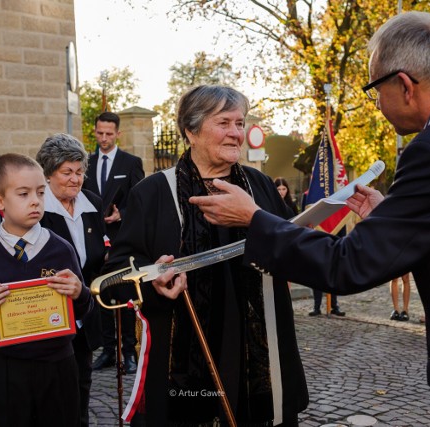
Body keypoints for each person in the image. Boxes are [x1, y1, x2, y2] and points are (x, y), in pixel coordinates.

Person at [189, 12, 430, 425]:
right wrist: (394, 221)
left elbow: (347, 266)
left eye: (374, 90)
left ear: (404, 85)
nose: (377, 104)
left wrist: (254, 219)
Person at [104, 85, 308, 426]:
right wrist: (154, 280)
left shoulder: (259, 186)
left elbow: (289, 248)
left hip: (257, 349)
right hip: (185, 353)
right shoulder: (153, 193)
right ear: (191, 130)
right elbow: (116, 275)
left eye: (240, 123)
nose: (236, 134)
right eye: (224, 123)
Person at [0, 153, 91, 427]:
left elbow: (84, 308)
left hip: (58, 364)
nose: (35, 200)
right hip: (7, 368)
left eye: (40, 192)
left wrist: (79, 292)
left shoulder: (61, 249)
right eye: (23, 194)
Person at [36, 134, 108, 426]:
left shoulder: (93, 203)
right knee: (49, 389)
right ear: (49, 173)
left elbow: (98, 255)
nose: (76, 179)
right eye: (67, 172)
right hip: (47, 315)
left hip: (84, 311)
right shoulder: (37, 208)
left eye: (80, 172)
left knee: (82, 383)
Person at [83, 111, 144, 374]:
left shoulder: (131, 162)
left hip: (123, 239)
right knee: (101, 294)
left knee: (126, 294)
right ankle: (108, 350)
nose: (104, 138)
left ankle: (129, 351)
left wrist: (124, 213)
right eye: (100, 133)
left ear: (118, 133)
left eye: (109, 133)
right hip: (95, 239)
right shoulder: (86, 161)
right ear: (95, 132)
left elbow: (141, 200)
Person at [300, 189, 345, 317]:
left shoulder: (337, 191)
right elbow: (305, 216)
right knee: (316, 273)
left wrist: (342, 239)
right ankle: (317, 306)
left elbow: (341, 215)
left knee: (334, 274)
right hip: (316, 237)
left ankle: (334, 305)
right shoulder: (308, 195)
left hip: (334, 237)